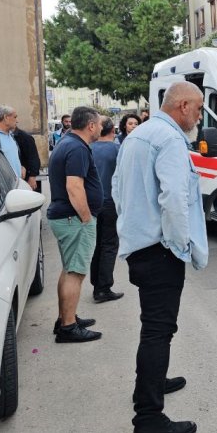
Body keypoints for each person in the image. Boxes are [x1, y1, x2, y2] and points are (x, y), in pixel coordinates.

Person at [112, 81, 208, 433]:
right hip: (159, 250)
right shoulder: (168, 139)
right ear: (183, 105)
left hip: (141, 246)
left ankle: (155, 380)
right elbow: (174, 199)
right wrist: (179, 245)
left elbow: (116, 188)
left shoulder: (140, 135)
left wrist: (132, 226)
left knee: (154, 327)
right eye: (198, 108)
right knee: (158, 331)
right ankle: (149, 418)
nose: (199, 115)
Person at [47, 106, 103, 343]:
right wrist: (86, 218)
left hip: (66, 218)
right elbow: (74, 186)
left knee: (69, 269)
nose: (101, 127)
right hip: (74, 219)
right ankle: (68, 328)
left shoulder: (67, 143)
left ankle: (65, 318)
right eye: (99, 123)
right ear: (90, 125)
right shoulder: (77, 148)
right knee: (76, 273)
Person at [89, 117, 124, 303]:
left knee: (97, 244)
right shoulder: (117, 150)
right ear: (113, 130)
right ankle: (103, 288)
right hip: (111, 201)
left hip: (92, 202)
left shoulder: (89, 148)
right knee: (109, 244)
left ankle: (96, 282)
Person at [13, 126, 41, 191]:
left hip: (25, 177)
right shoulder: (7, 137)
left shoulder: (25, 137)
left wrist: (32, 177)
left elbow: (34, 158)